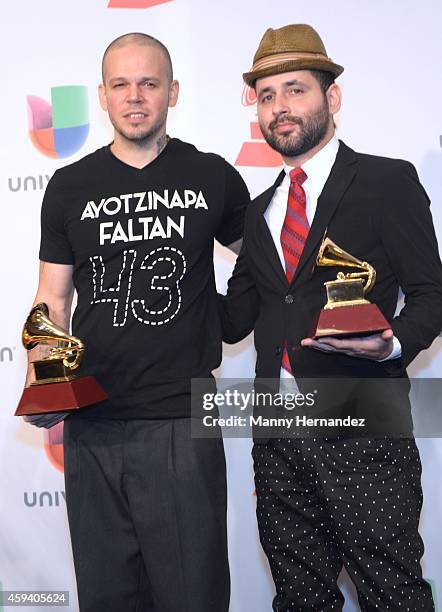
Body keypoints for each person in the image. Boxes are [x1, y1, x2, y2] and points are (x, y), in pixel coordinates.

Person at [24, 32, 249, 611]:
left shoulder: (212, 176)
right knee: (108, 598)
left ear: (172, 92)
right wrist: (45, 376)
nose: (135, 97)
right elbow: (52, 295)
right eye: (120, 84)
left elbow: (267, 263)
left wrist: (226, 319)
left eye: (148, 83)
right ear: (101, 96)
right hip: (93, 424)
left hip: (183, 418)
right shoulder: (69, 187)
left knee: (191, 597)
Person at [220, 24, 442, 611]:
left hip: (364, 420)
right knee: (298, 599)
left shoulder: (386, 182)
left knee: (392, 592)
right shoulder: (259, 211)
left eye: (294, 89)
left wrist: (393, 347)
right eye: (266, 96)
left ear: (331, 97)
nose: (279, 108)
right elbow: (232, 321)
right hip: (276, 433)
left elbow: (431, 293)